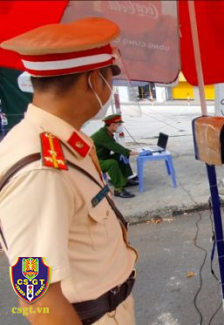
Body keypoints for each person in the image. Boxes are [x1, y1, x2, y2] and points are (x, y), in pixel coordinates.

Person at [0, 18, 138, 324]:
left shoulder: (67, 143)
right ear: (93, 80)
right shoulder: (40, 169)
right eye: (110, 75)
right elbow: (35, 294)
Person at [91, 114, 139, 199]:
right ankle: (118, 189)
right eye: (119, 124)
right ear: (113, 125)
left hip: (102, 157)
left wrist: (127, 152)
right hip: (94, 161)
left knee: (120, 155)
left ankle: (125, 180)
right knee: (112, 163)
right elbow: (116, 147)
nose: (120, 126)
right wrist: (136, 152)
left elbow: (118, 149)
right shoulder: (102, 135)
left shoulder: (107, 133)